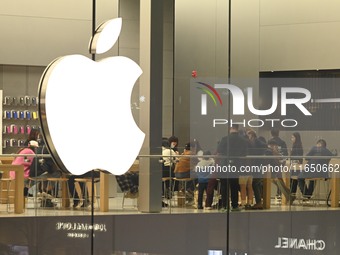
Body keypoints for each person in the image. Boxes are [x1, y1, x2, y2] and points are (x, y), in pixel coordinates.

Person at [217, 124, 248, 211]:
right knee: (234, 185)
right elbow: (245, 153)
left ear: (230, 128)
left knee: (224, 186)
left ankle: (225, 205)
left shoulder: (224, 139)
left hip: (225, 164)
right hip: (236, 165)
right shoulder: (242, 140)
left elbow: (219, 150)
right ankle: (234, 205)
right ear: (237, 129)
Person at [245, 129, 267, 210]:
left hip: (257, 165)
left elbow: (264, 147)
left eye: (248, 135)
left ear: (252, 135)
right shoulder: (257, 142)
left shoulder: (256, 142)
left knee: (255, 183)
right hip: (258, 165)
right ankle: (258, 202)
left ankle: (258, 202)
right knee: (256, 183)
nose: (248, 138)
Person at [268, 128, 288, 199]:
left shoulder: (269, 142)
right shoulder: (282, 142)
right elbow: (285, 154)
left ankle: (282, 193)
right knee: (279, 179)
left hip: (271, 164)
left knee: (276, 179)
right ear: (278, 132)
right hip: (280, 163)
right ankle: (281, 193)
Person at [289, 132, 304, 202]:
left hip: (295, 166)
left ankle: (292, 195)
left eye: (293, 137)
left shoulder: (297, 146)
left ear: (296, 138)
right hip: (296, 166)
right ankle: (292, 195)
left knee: (293, 180)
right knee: (294, 181)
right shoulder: (297, 145)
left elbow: (298, 158)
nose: (291, 139)